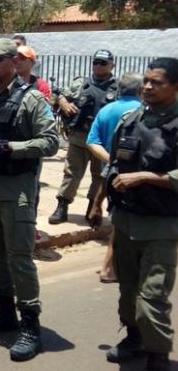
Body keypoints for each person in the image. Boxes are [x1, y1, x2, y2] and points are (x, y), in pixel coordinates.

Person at [0, 38, 58, 362]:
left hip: (17, 190)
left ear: (13, 61)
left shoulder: (31, 99)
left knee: (19, 257)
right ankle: (5, 312)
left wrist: (11, 148)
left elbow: (51, 142)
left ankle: (30, 324)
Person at [104, 58, 178, 371]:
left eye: (156, 82)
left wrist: (147, 177)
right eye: (146, 81)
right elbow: (113, 165)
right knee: (127, 294)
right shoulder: (130, 119)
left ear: (175, 87)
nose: (147, 87)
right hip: (126, 222)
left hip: (161, 227)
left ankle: (158, 357)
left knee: (151, 300)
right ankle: (134, 338)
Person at [49, 49, 118, 225]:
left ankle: (92, 207)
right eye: (96, 62)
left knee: (99, 175)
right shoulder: (80, 83)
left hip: (103, 141)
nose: (98, 66)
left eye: (103, 63)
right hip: (79, 137)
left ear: (112, 65)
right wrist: (64, 103)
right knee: (71, 173)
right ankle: (62, 206)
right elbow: (59, 95)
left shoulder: (117, 87)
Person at [85, 73, 142, 284]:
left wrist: (111, 162)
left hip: (109, 176)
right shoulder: (142, 111)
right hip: (134, 178)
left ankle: (115, 267)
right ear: (140, 90)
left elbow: (92, 141)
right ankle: (109, 269)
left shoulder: (106, 110)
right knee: (121, 223)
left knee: (119, 221)